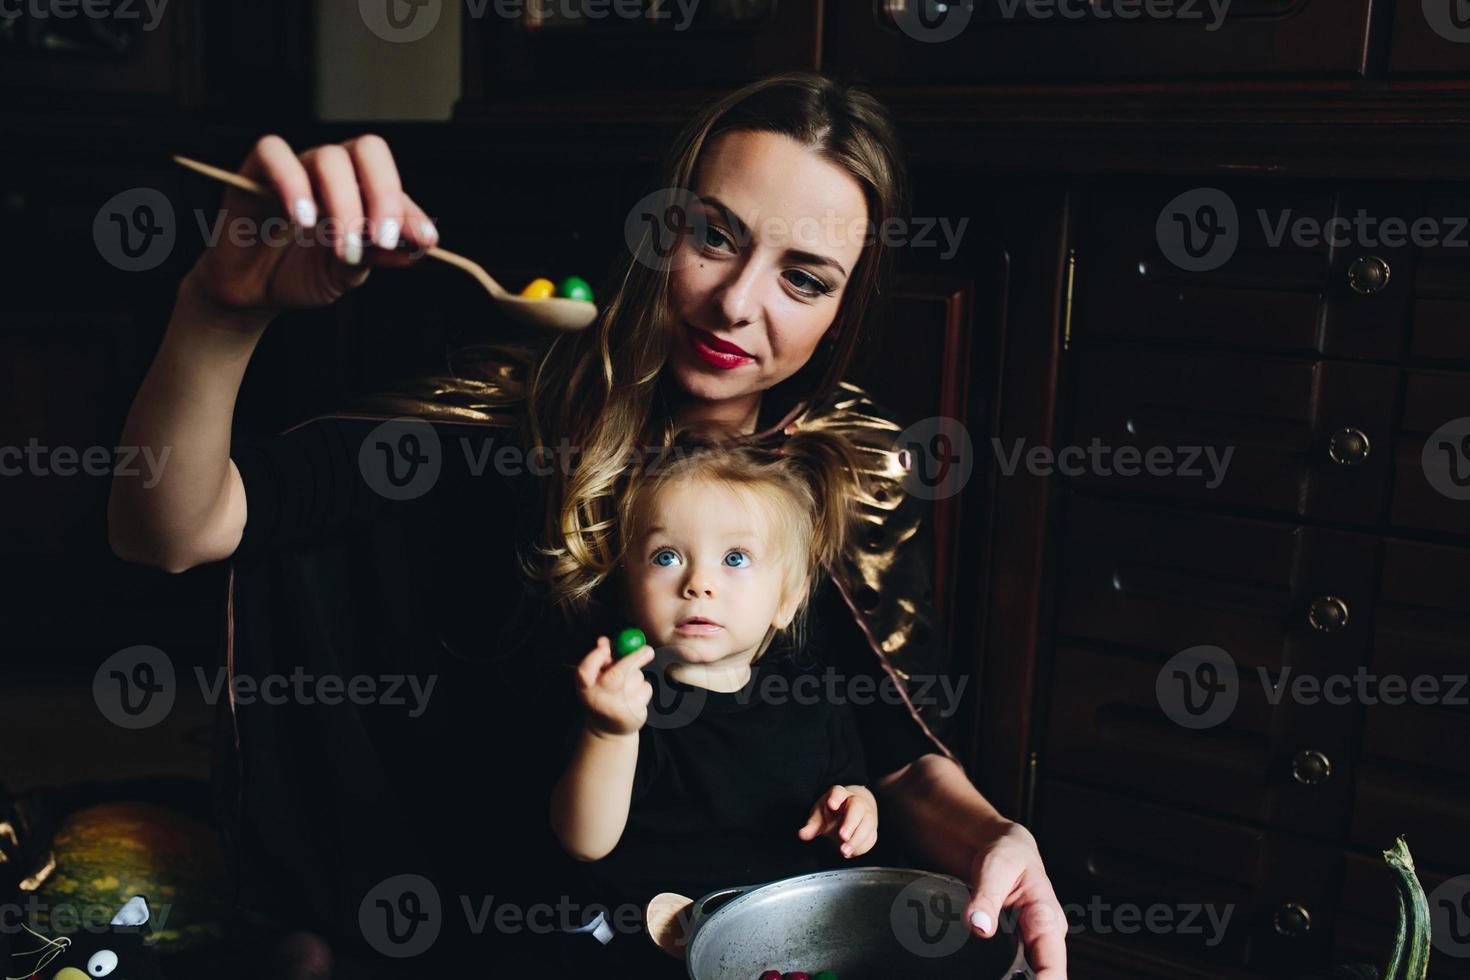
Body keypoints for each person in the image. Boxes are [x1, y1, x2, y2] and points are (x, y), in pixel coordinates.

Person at [107, 71, 1069, 978]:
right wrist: (220, 314)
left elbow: (898, 751)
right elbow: (170, 530)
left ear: (846, 308)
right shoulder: (512, 417)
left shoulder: (851, 468)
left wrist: (996, 838)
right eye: (714, 235)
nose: (737, 304)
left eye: (805, 279)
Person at [547, 429, 878, 972]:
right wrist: (610, 732)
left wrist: (857, 809)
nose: (699, 582)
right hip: (652, 946)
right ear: (629, 583)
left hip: (781, 945)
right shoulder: (625, 697)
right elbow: (583, 841)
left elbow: (851, 785)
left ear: (787, 599)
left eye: (737, 558)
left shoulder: (812, 695)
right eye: (668, 555)